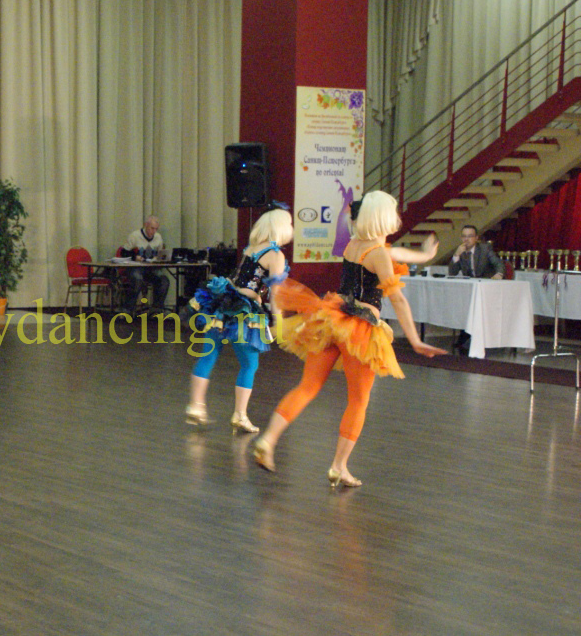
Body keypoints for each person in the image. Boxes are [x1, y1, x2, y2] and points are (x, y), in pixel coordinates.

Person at [252, 191, 446, 487]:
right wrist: (415, 340)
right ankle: (339, 467)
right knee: (358, 401)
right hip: (360, 329)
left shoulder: (355, 245)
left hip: (331, 320)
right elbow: (398, 300)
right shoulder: (378, 253)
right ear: (385, 217)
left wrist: (426, 255)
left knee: (307, 387)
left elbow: (396, 253)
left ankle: (268, 440)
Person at [185, 208, 292, 433]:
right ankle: (240, 415)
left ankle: (196, 405)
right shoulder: (275, 255)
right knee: (249, 364)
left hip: (222, 304)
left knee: (208, 354)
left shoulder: (251, 248)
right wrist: (279, 322)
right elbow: (277, 294)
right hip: (244, 311)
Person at [447, 224, 505, 353]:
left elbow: (498, 263)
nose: (466, 239)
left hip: (487, 288)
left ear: (476, 238)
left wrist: (499, 274)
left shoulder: (485, 249)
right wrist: (456, 255)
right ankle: (465, 335)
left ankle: (473, 337)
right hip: (471, 288)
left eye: (470, 236)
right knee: (462, 304)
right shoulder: (461, 251)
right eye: (464, 236)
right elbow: (452, 272)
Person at [122, 215, 170, 312]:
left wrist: (161, 258)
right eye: (152, 228)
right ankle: (128, 309)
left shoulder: (158, 237)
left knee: (164, 280)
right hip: (136, 268)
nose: (154, 231)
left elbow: (161, 253)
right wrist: (135, 257)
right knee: (137, 280)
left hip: (151, 269)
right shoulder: (135, 236)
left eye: (156, 229)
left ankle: (157, 309)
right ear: (146, 225)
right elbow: (124, 252)